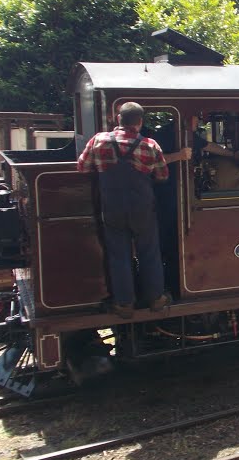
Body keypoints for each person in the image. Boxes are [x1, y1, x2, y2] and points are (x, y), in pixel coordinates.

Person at [77, 102, 191, 319]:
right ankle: (156, 298)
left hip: (111, 208)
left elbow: (82, 167)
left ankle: (124, 303)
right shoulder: (149, 145)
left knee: (118, 255)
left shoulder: (98, 140)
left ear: (117, 119)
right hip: (142, 208)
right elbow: (162, 176)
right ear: (140, 122)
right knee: (150, 251)